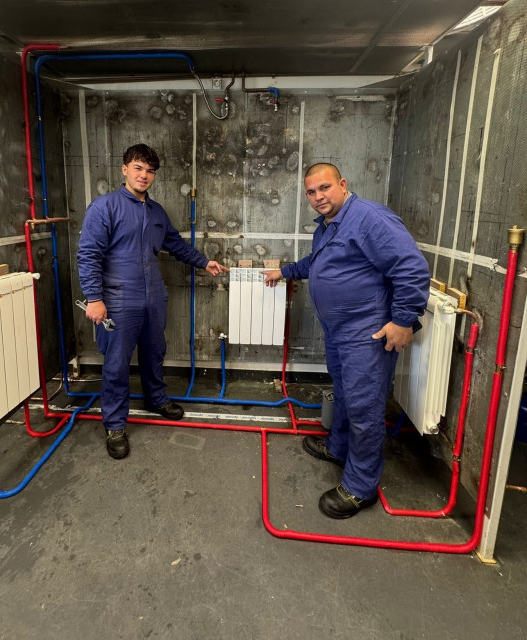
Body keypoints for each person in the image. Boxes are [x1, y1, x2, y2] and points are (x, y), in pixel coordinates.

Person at [262, 163, 430, 519]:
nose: (318, 197)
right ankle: (338, 448)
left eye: (324, 188)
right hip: (339, 331)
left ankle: (360, 487)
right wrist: (285, 271)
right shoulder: (328, 225)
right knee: (344, 391)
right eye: (311, 192)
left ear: (342, 184)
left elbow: (410, 266)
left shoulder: (369, 218)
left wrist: (402, 320)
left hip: (366, 332)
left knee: (363, 406)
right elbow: (317, 263)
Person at [77, 143, 228, 459]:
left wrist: (204, 262)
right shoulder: (104, 207)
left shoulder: (157, 212)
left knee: (154, 351)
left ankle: (156, 399)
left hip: (153, 296)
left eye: (150, 171)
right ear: (124, 169)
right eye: (138, 168)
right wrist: (94, 298)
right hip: (118, 299)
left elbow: (175, 245)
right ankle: (115, 425)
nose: (144, 175)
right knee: (117, 363)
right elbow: (88, 254)